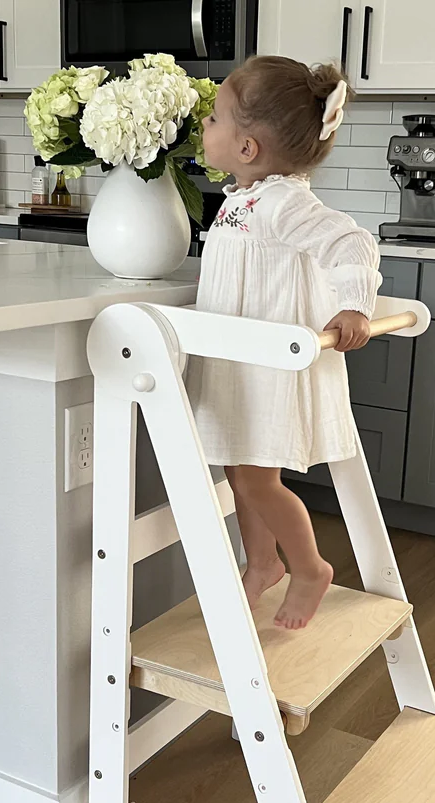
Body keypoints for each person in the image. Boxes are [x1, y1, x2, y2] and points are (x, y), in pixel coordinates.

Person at [188, 55, 381, 631]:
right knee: (238, 472)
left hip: (266, 370)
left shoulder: (281, 201)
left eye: (217, 119)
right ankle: (262, 563)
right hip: (235, 365)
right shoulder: (241, 199)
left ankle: (309, 567)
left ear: (247, 147)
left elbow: (351, 243)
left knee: (255, 479)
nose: (207, 127)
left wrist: (354, 305)